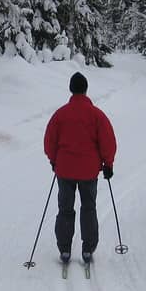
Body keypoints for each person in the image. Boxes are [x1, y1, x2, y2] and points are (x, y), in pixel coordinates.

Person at [43, 71, 117, 264]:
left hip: (65, 170)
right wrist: (108, 164)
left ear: (71, 89)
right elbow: (108, 141)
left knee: (65, 208)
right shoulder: (97, 116)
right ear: (85, 90)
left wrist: (54, 160)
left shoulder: (60, 115)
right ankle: (88, 249)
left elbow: (49, 141)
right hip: (88, 171)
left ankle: (65, 249)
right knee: (89, 208)